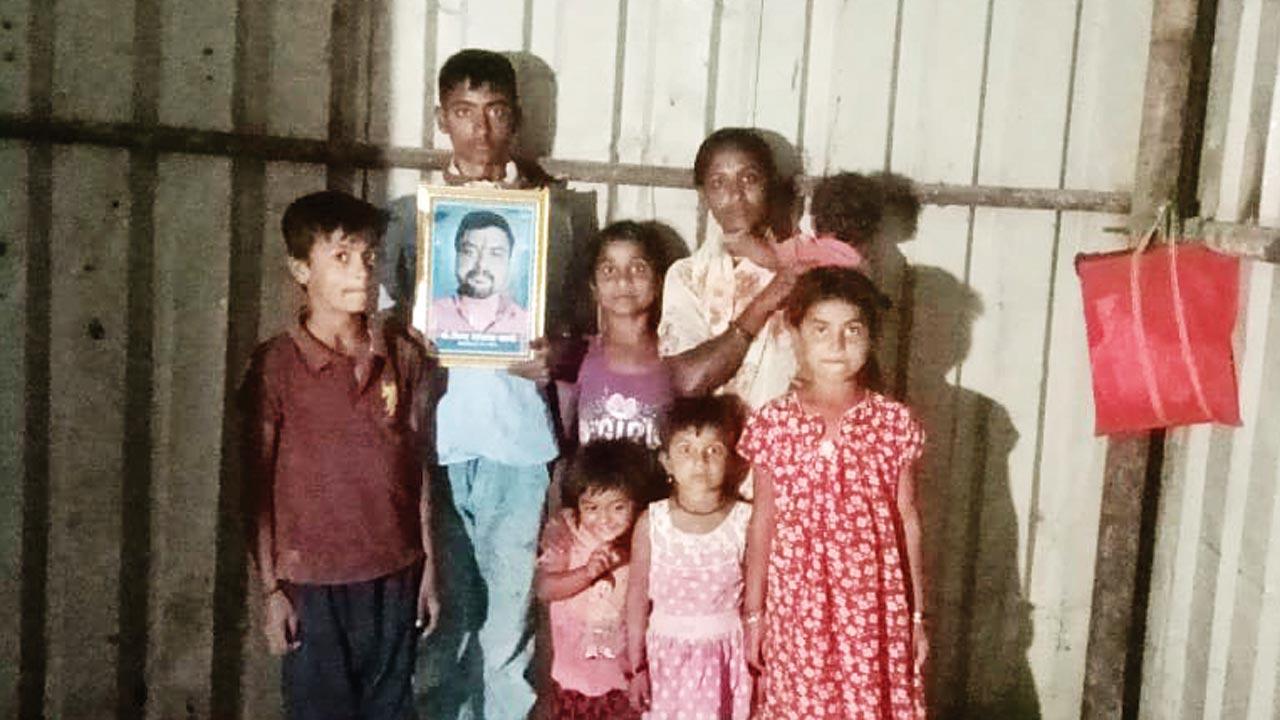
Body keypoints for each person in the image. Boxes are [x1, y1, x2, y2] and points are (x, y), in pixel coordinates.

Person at [378, 49, 563, 720]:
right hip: (436, 447)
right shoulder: (409, 217)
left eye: (494, 113)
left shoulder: (552, 214)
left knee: (508, 630)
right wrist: (409, 334)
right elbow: (377, 328)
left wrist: (555, 355)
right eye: (463, 112)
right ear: (441, 119)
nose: (480, 130)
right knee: (442, 623)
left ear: (514, 119)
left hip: (519, 447)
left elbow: (578, 328)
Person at [239, 190, 439, 720]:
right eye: (342, 258)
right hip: (314, 583)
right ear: (301, 269)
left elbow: (417, 466)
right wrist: (272, 591)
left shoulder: (400, 354)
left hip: (395, 573)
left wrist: (429, 569)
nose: (363, 272)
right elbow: (255, 488)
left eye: (371, 257)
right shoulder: (276, 366)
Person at [740, 266, 928, 719]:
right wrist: (754, 614)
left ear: (871, 337)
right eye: (821, 329)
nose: (837, 345)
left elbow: (908, 522)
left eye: (853, 330)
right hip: (798, 610)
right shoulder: (773, 423)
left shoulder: (893, 423)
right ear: (795, 333)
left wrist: (918, 618)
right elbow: (761, 521)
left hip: (872, 609)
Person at [625, 396, 753, 719]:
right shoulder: (651, 523)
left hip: (727, 656)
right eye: (686, 450)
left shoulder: (744, 521)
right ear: (667, 462)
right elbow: (636, 599)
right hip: (666, 660)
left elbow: (756, 598)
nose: (700, 462)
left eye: (714, 451)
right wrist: (635, 665)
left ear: (734, 461)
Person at [657, 128, 802, 409]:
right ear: (703, 195)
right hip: (711, 448)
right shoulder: (687, 276)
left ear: (770, 185)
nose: (735, 195)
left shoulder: (807, 268)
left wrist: (778, 265)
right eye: (719, 182)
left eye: (749, 178)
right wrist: (763, 304)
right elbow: (687, 380)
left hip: (790, 445)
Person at [534, 440, 654, 719]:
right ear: (577, 505)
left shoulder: (643, 542)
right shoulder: (567, 534)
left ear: (635, 505)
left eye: (617, 507)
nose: (605, 519)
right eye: (592, 507)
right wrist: (587, 573)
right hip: (572, 682)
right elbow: (544, 587)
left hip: (620, 683)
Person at [556, 220, 674, 452]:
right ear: (593, 287)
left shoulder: (676, 356)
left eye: (638, 268)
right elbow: (563, 446)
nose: (623, 281)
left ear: (659, 281)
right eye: (609, 270)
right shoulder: (576, 357)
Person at [429, 209, 530, 342]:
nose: (481, 265)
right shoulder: (429, 317)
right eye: (469, 252)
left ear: (509, 262)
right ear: (456, 255)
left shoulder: (526, 324)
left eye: (495, 254)